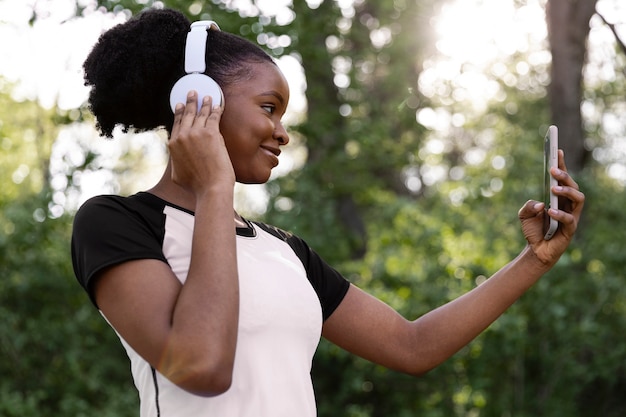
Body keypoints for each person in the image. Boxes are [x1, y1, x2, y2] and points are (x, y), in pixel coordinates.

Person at [71, 7, 585, 417]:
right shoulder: (117, 222)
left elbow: (412, 346)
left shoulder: (285, 251)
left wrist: (533, 260)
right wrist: (213, 190)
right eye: (268, 107)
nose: (283, 132)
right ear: (198, 101)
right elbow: (201, 366)